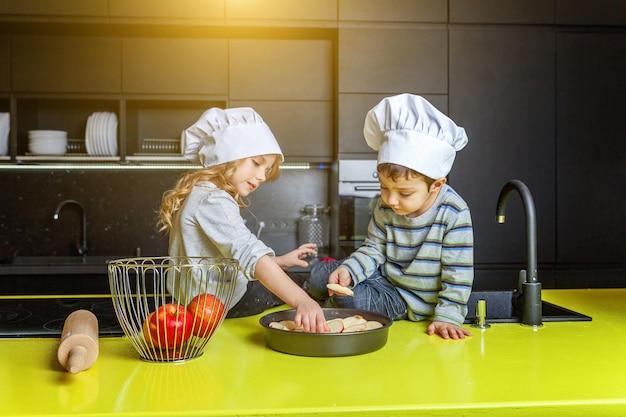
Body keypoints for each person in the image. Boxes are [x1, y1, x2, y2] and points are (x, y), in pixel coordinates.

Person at [305, 93, 474, 339]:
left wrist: (448, 316)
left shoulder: (454, 213)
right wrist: (351, 271)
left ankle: (322, 306)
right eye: (384, 188)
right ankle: (314, 294)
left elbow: (457, 273)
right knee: (321, 276)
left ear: (435, 185)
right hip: (382, 276)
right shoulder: (387, 206)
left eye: (404, 193)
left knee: (351, 302)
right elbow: (373, 248)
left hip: (408, 300)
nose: (391, 200)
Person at [158, 107, 329, 333]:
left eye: (266, 170)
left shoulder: (201, 195)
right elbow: (249, 254)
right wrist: (303, 302)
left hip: (199, 303)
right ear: (227, 157)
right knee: (316, 284)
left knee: (294, 279)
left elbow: (221, 260)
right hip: (221, 304)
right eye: (256, 163)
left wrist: (277, 262)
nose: (261, 176)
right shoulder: (213, 200)